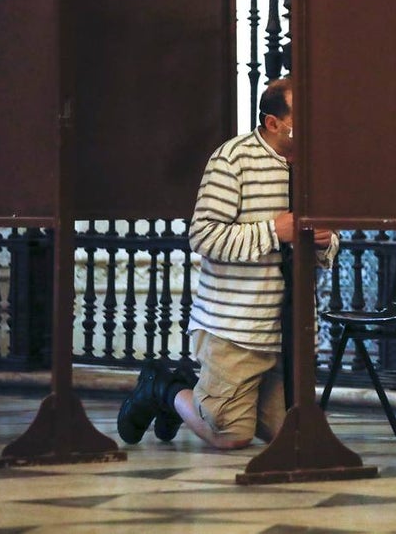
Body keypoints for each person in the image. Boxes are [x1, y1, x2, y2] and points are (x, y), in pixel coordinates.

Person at [117, 76, 339, 449]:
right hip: (234, 327)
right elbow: (203, 236)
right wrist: (273, 231)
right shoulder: (231, 159)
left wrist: (324, 241)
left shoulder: (317, 167)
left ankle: (211, 398)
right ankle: (164, 388)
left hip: (288, 331)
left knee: (291, 434)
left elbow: (329, 245)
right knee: (230, 434)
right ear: (273, 123)